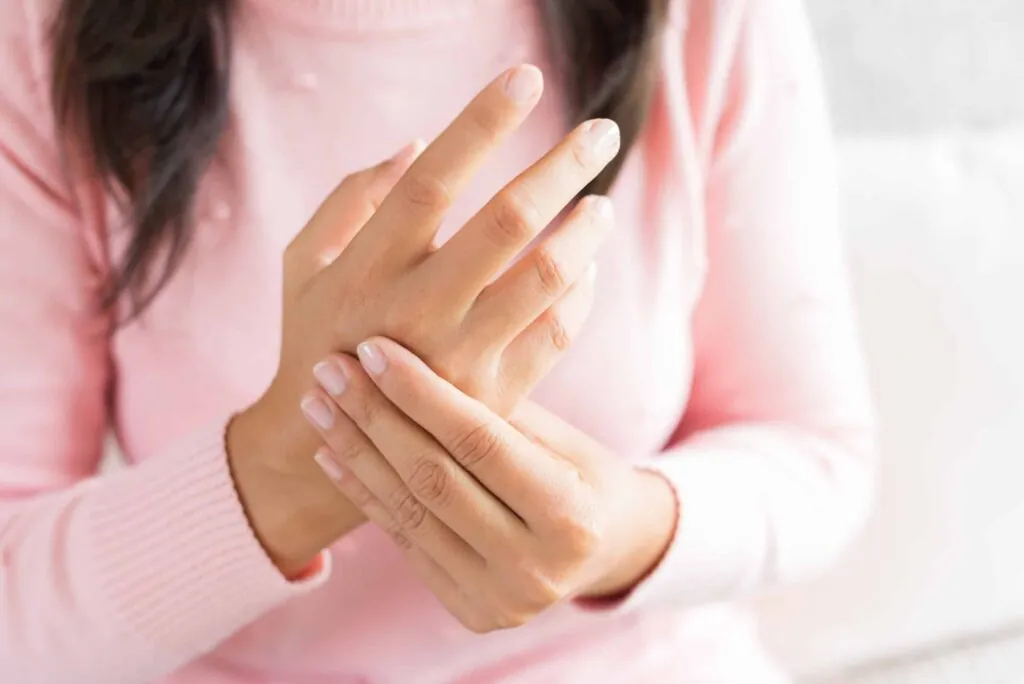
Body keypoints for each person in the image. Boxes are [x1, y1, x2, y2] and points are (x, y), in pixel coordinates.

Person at [0, 0, 877, 681]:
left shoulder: (705, 18)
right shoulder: (42, 36)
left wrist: (619, 533)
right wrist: (281, 474)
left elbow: (815, 454)